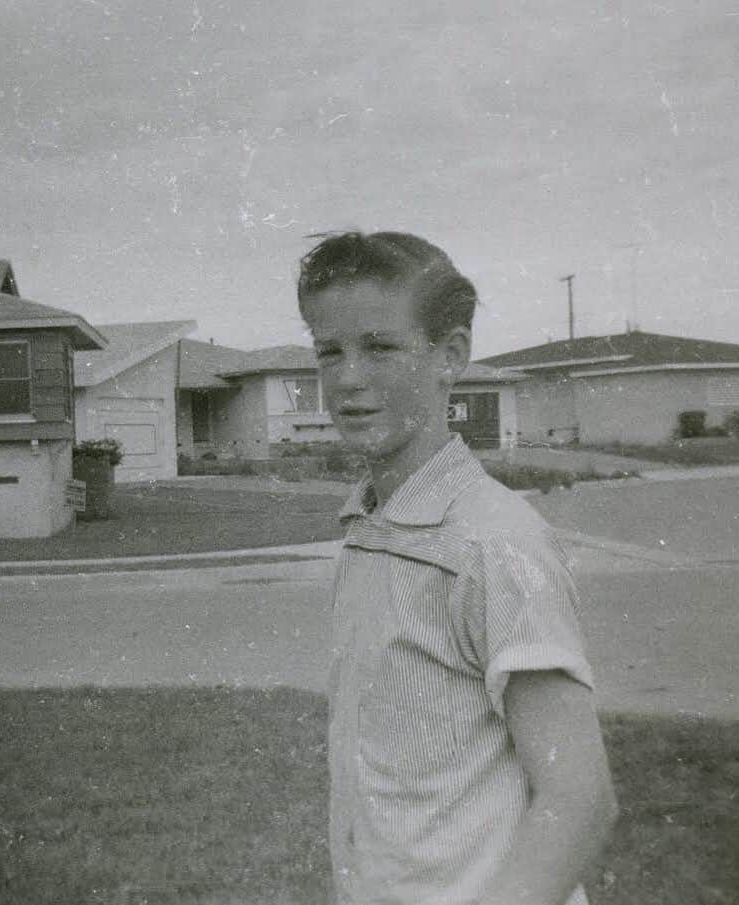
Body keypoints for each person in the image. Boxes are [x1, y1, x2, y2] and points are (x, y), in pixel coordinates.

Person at [297, 231, 619, 905]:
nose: (348, 377)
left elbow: (579, 798)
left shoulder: (490, 542)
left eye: (380, 346)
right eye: (330, 350)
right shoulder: (368, 525)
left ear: (450, 356)